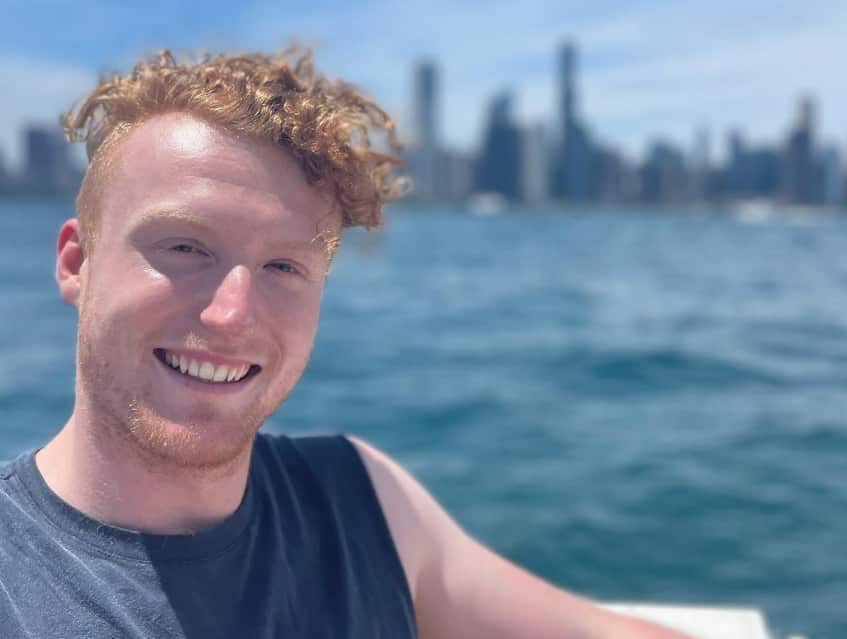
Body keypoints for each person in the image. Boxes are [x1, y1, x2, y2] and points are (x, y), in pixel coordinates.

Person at [0, 48, 693, 638]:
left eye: (283, 266)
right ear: (76, 263)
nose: (231, 314)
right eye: (184, 246)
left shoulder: (357, 498)